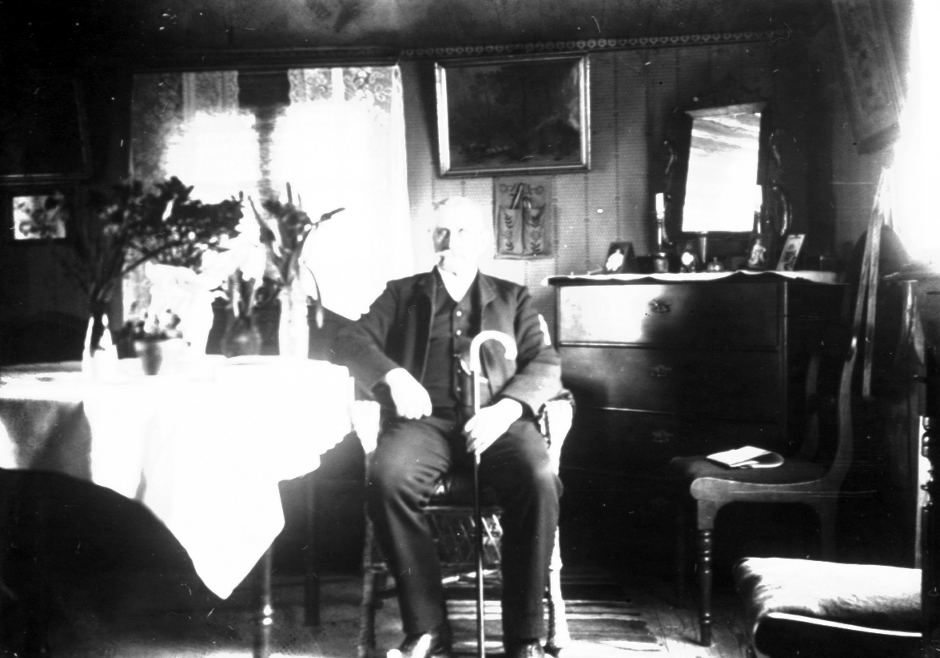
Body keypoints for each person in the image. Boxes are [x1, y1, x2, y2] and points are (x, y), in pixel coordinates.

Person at [333, 197, 563, 658]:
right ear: (430, 239)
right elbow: (349, 339)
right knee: (388, 480)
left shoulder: (513, 297)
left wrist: (508, 409)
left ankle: (524, 637)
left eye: (462, 232)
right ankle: (427, 628)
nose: (450, 241)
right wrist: (393, 375)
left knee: (538, 481)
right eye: (441, 232)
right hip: (424, 424)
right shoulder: (401, 294)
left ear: (482, 241)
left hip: (499, 422)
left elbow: (546, 361)